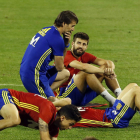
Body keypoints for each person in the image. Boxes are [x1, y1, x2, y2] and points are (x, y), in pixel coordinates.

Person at [20, 10, 78, 101]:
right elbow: (59, 67)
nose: (73, 29)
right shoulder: (57, 39)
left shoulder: (46, 29)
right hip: (34, 75)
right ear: (64, 24)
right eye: (72, 26)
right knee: (54, 107)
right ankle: (44, 98)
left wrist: (66, 44)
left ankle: (43, 94)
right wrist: (63, 45)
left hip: (28, 70)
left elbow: (61, 68)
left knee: (65, 74)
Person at [58, 32, 121, 106]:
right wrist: (104, 71)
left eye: (84, 44)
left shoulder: (85, 55)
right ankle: (113, 101)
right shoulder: (66, 55)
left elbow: (107, 62)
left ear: (86, 47)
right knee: (85, 72)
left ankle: (120, 98)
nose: (81, 46)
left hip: (83, 96)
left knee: (106, 66)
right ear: (72, 43)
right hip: (67, 96)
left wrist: (110, 70)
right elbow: (84, 67)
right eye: (79, 43)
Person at [0, 88, 81, 140]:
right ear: (62, 118)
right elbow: (44, 138)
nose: (70, 128)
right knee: (14, 120)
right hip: (7, 95)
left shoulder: (54, 127)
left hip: (12, 108)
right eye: (71, 124)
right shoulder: (49, 109)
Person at [73, 83, 139, 128]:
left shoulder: (67, 111)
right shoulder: (68, 118)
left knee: (132, 85)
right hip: (114, 120)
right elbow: (66, 101)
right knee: (135, 90)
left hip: (110, 112)